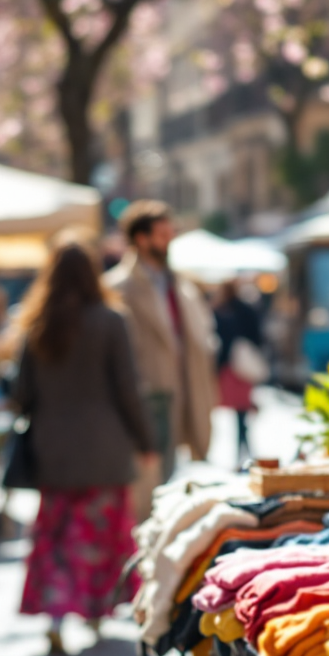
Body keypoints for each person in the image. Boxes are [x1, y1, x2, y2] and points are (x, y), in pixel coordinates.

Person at [14, 237, 156, 656]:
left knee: (57, 538)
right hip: (105, 448)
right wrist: (146, 441)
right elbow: (128, 389)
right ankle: (97, 613)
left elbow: (21, 394)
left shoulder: (36, 323)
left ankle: (57, 618)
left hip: (52, 450)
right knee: (100, 537)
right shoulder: (111, 320)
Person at [104, 200, 217, 484]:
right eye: (162, 236)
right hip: (147, 402)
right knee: (146, 485)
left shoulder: (181, 285)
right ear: (141, 239)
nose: (169, 243)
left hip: (185, 394)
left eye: (171, 235)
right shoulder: (117, 288)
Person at [213, 280, 264, 466]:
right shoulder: (245, 310)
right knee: (241, 410)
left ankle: (243, 451)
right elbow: (258, 336)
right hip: (242, 365)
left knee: (239, 411)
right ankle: (244, 450)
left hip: (232, 366)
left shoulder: (221, 310)